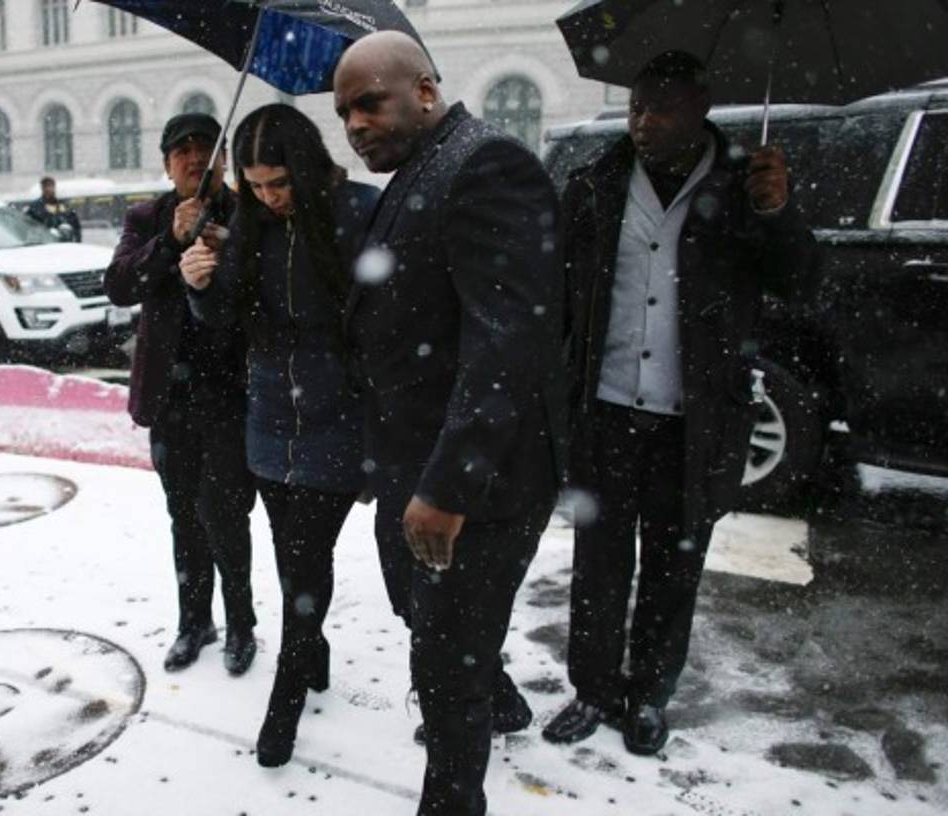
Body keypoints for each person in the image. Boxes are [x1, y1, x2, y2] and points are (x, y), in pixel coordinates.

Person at [543, 51, 819, 756]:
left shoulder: (743, 189)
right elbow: (562, 299)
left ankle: (648, 696)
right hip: (604, 411)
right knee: (599, 565)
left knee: (673, 566)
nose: (642, 121)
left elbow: (800, 283)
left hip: (692, 422)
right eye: (636, 105)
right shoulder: (597, 184)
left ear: (700, 109)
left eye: (660, 107)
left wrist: (777, 213)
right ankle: (594, 688)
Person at [333, 32, 566, 816]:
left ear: (425, 92)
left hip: (475, 485)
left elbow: (506, 343)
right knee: (427, 629)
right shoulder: (420, 168)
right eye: (344, 114)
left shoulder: (485, 164)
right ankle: (495, 699)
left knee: (445, 674)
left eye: (370, 102)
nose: (356, 124)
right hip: (414, 466)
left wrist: (448, 486)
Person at [180, 104, 379, 767]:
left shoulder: (357, 211)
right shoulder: (247, 225)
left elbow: (389, 325)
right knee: (287, 551)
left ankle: (286, 700)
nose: (268, 197)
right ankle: (313, 649)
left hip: (337, 419)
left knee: (305, 558)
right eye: (256, 184)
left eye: (280, 183)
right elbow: (222, 327)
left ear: (308, 165)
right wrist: (200, 283)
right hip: (266, 417)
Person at [104, 113, 258, 677]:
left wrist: (225, 250)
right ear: (167, 163)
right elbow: (120, 286)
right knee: (183, 518)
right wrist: (169, 242)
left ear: (221, 158)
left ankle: (241, 622)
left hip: (231, 398)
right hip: (171, 400)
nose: (194, 158)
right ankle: (195, 622)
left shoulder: (247, 213)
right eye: (182, 151)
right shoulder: (147, 217)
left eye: (205, 148)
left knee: (226, 516)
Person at [26, 176, 82, 242]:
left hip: (65, 243)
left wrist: (77, 241)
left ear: (54, 187)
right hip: (45, 243)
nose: (49, 189)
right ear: (42, 188)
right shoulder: (35, 207)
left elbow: (76, 226)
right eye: (46, 187)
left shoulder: (63, 205)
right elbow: (29, 227)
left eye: (51, 186)